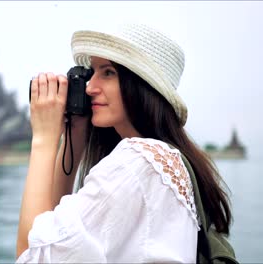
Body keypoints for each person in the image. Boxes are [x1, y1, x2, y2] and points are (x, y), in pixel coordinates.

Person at [15, 24, 233, 263]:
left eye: (107, 72)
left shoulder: (139, 160)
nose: (90, 87)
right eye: (92, 72)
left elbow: (32, 255)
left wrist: (43, 138)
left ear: (141, 85)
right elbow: (53, 232)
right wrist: (74, 136)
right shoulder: (163, 161)